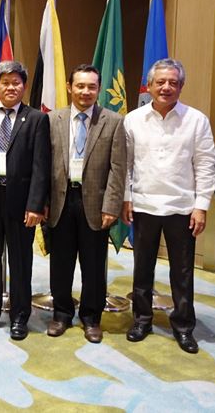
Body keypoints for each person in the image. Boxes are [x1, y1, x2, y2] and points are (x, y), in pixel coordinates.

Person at [122, 58, 215, 354]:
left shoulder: (196, 120)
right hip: (144, 205)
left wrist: (201, 205)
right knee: (142, 268)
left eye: (173, 82)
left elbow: (205, 165)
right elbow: (125, 165)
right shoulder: (133, 119)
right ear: (148, 86)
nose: (166, 87)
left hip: (182, 208)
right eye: (160, 82)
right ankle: (142, 319)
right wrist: (127, 197)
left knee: (183, 271)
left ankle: (183, 326)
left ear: (181, 86)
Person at [45, 64, 126, 344]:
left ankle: (91, 317)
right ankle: (62, 313)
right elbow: (44, 166)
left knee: (93, 265)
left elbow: (118, 168)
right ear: (69, 87)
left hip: (95, 203)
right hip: (60, 200)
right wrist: (43, 202)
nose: (86, 91)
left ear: (98, 89)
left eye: (92, 86)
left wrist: (112, 206)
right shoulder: (52, 119)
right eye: (80, 85)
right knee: (61, 262)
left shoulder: (113, 121)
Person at [0, 61, 49, 340]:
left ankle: (19, 316)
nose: (11, 87)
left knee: (20, 261)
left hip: (22, 203)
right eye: (5, 82)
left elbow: (41, 166)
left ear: (24, 87)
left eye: (16, 82)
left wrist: (35, 205)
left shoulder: (37, 119)